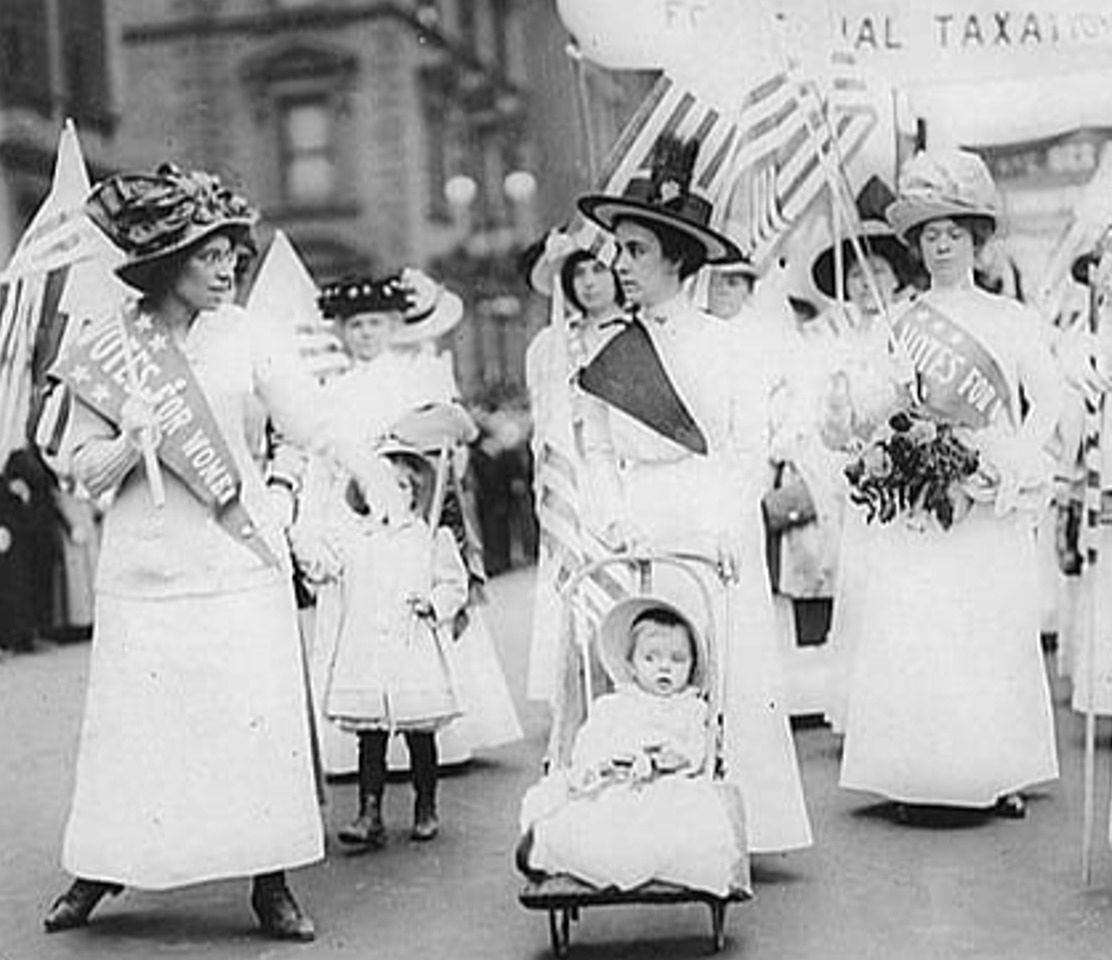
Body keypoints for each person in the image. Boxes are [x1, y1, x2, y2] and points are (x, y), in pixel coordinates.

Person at [41, 162, 405, 940]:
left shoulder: (247, 335)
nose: (228, 266)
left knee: (254, 721)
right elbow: (79, 467)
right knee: (136, 725)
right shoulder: (110, 347)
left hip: (240, 560)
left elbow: (313, 418)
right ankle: (102, 864)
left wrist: (369, 466)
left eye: (233, 252)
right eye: (211, 255)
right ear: (168, 262)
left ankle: (269, 880)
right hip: (146, 564)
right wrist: (126, 438)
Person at [569, 135, 812, 854]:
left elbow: (744, 449)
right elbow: (596, 451)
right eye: (617, 252)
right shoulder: (605, 352)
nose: (619, 267)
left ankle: (736, 828)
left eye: (636, 251)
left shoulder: (728, 345)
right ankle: (648, 830)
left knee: (726, 667)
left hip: (713, 525)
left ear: (678, 258)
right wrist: (608, 520)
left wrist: (724, 529)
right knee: (643, 671)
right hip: (637, 524)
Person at [837, 149, 1060, 818]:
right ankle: (917, 776)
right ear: (915, 244)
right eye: (929, 235)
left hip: (985, 497)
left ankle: (1000, 773)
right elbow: (869, 411)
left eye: (952, 234)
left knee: (989, 631)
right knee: (921, 632)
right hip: (918, 501)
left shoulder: (1011, 319)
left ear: (976, 239)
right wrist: (886, 404)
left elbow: (1045, 402)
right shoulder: (895, 322)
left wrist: (1010, 459)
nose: (940, 246)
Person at [301, 273, 521, 777]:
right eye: (355, 325)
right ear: (341, 331)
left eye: (375, 323)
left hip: (409, 503)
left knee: (417, 611)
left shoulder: (416, 377)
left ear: (395, 324)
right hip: (354, 511)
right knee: (360, 619)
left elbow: (452, 440)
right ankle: (362, 742)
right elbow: (323, 453)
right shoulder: (331, 390)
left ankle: (436, 738)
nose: (365, 335)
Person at [517, 598, 746, 895]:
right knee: (597, 817)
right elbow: (590, 743)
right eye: (651, 658)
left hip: (668, 785)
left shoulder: (690, 709)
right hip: (617, 782)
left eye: (677, 660)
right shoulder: (613, 705)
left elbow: (696, 751)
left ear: (691, 668)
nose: (664, 667)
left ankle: (624, 863)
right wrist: (602, 763)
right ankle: (559, 849)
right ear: (631, 666)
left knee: (678, 825)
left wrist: (668, 760)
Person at [803, 178, 925, 729]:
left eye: (876, 270)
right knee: (864, 591)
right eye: (856, 273)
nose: (865, 281)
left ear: (897, 274)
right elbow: (826, 418)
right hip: (860, 477)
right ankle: (869, 714)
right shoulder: (831, 336)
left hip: (916, 474)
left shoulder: (919, 322)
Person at [318, 443, 468, 846]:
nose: (390, 493)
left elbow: (454, 584)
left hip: (411, 645)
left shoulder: (430, 537)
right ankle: (370, 812)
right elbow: (334, 573)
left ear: (415, 494)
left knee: (420, 732)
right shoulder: (357, 540)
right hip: (369, 650)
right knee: (371, 734)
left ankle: (425, 805)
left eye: (401, 486)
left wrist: (434, 603)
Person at [524, 232, 628, 708]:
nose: (588, 283)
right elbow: (543, 418)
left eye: (597, 270)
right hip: (572, 472)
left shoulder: (634, 334)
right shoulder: (552, 345)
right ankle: (580, 697)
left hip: (620, 469)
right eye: (578, 273)